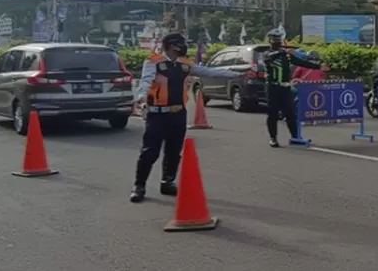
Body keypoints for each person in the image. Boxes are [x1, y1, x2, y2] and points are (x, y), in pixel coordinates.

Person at [130, 32, 238, 203]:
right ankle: (139, 185)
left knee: (173, 152)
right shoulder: (153, 62)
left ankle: (168, 181)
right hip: (157, 114)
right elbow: (146, 81)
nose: (183, 47)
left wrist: (236, 75)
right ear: (172, 46)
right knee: (149, 152)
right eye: (180, 44)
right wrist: (142, 96)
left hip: (178, 113)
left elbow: (208, 72)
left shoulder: (185, 64)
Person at [262, 29, 328, 148]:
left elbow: (301, 62)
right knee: (273, 114)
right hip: (273, 87)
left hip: (286, 88)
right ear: (270, 40)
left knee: (290, 113)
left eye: (278, 39)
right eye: (274, 39)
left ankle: (295, 136)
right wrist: (285, 51)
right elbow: (270, 57)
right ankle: (273, 138)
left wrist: (318, 67)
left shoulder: (286, 56)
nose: (277, 41)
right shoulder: (267, 54)